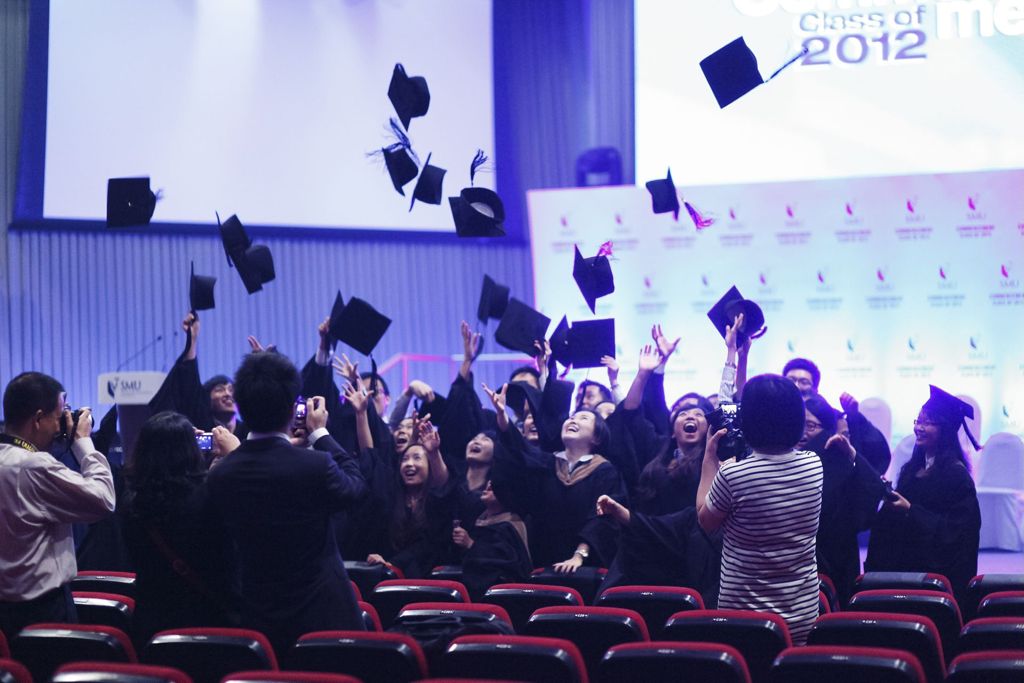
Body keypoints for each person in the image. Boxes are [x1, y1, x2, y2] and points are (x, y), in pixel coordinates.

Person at [206, 352, 367, 653]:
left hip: (256, 615)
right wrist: (320, 433)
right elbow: (356, 487)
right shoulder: (315, 465)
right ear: (294, 409)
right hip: (323, 612)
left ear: (240, 407)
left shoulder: (221, 475)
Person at [696, 374, 823, 645]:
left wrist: (709, 460)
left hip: (742, 617)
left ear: (746, 421)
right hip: (802, 613)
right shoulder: (814, 465)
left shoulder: (733, 475)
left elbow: (705, 520)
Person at [0, 372, 116, 639]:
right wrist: (83, 442)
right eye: (58, 416)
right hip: (42, 611)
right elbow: (104, 499)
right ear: (38, 419)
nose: (60, 426)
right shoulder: (34, 466)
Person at [121, 412, 241, 644]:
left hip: (153, 623)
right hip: (211, 620)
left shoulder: (131, 503)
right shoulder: (212, 495)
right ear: (189, 451)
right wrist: (236, 455)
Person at [487, 375, 628, 572]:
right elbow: (518, 451)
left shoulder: (605, 472)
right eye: (571, 417)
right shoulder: (546, 463)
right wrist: (502, 417)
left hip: (587, 567)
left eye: (583, 417)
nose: (573, 419)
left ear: (597, 437)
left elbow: (602, 520)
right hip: (543, 561)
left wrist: (579, 556)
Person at [866, 386, 981, 607]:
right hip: (906, 565)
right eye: (918, 421)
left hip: (933, 573)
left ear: (945, 430)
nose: (919, 428)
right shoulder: (914, 467)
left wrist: (911, 510)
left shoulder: (956, 476)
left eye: (927, 422)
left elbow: (958, 533)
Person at [800, 395, 883, 605]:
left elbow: (871, 493)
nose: (803, 433)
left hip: (834, 560)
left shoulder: (837, 461)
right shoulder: (785, 460)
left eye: (810, 425)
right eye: (799, 424)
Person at [783, 356, 891, 474]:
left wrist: (853, 416)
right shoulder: (771, 414)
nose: (796, 385)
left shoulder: (831, 417)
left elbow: (876, 455)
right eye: (791, 380)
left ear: (815, 389)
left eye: (804, 382)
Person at [150, 313, 247, 437]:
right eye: (219, 390)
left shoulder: (249, 432)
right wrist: (192, 339)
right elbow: (189, 380)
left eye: (231, 390)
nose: (228, 394)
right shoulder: (201, 428)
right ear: (206, 400)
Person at [452, 479, 532, 601]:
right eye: (488, 485)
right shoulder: (480, 519)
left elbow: (507, 564)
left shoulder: (511, 525)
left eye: (494, 488)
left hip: (502, 598)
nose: (489, 485)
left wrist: (471, 544)